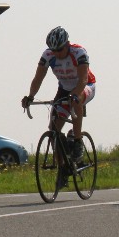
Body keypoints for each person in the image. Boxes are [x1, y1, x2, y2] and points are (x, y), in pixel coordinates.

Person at [21, 26, 96, 165]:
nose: (57, 54)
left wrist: (75, 95)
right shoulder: (47, 55)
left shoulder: (79, 52)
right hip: (64, 89)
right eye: (53, 50)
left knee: (76, 100)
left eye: (60, 50)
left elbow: (83, 79)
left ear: (67, 44)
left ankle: (78, 141)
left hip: (85, 85)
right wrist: (30, 96)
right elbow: (38, 79)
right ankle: (63, 167)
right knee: (54, 129)